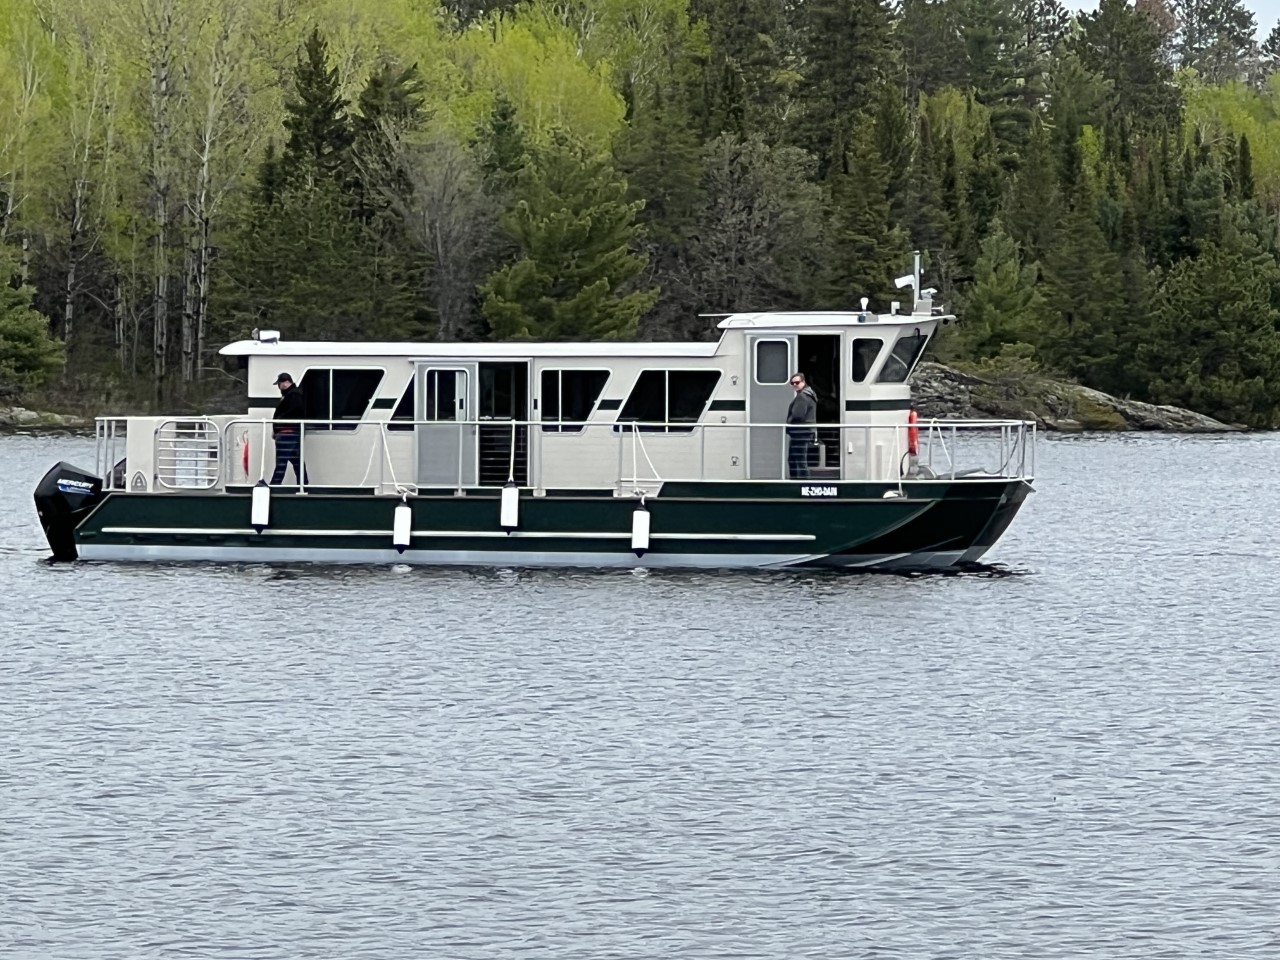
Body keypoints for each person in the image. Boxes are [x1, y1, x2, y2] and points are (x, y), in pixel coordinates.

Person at [270, 372, 310, 486]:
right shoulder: (294, 394)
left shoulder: (293, 395)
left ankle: (274, 486)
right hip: (292, 433)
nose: (279, 387)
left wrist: (279, 423)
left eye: (279, 384)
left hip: (287, 434)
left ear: (284, 383)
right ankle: (304, 486)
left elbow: (295, 411)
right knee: (297, 462)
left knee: (281, 463)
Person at [786, 371, 818, 479]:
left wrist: (789, 421)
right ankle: (800, 483)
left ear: (803, 382)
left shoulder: (802, 397)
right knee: (797, 460)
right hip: (805, 432)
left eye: (797, 382)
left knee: (797, 461)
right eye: (792, 383)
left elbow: (797, 414)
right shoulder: (810, 395)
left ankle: (801, 484)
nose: (794, 385)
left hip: (800, 433)